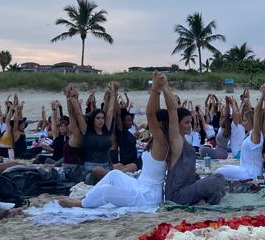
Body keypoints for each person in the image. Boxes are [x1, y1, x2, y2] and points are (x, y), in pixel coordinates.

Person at [58, 74, 169, 209]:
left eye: (102, 118)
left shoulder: (162, 141)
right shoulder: (87, 131)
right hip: (138, 184)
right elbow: (76, 116)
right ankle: (86, 197)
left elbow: (149, 114)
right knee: (114, 174)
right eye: (97, 118)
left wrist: (156, 89)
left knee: (107, 191)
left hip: (147, 195)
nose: (100, 120)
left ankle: (81, 204)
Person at [163, 76, 227, 205]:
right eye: (186, 122)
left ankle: (202, 200)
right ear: (177, 123)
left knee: (219, 177)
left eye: (190, 122)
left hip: (189, 188)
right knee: (213, 183)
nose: (189, 125)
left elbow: (191, 173)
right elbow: (172, 110)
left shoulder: (185, 141)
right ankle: (206, 202)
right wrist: (164, 86)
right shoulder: (176, 141)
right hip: (177, 194)